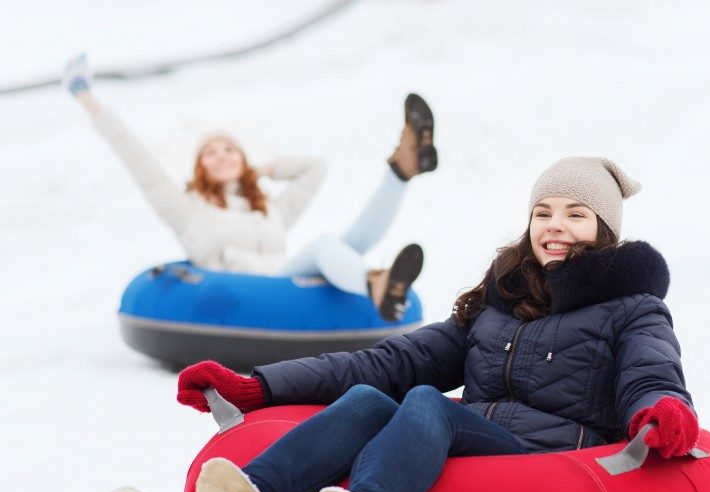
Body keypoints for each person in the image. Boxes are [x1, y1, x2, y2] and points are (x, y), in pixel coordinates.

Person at [109, 156, 700, 492]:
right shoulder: (502, 304)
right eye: (544, 211)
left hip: (552, 459)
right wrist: (259, 386)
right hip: (481, 437)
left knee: (424, 403)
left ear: (604, 229)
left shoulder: (632, 309)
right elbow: (395, 359)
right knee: (372, 398)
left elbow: (652, 373)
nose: (555, 225)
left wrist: (662, 409)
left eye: (575, 214)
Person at [63, 54, 435, 320]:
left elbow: (315, 170)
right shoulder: (186, 209)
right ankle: (375, 284)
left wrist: (263, 169)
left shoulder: (267, 209)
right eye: (210, 153)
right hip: (250, 289)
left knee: (348, 243)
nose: (221, 155)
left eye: (230, 150)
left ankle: (400, 170)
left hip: (287, 277)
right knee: (325, 246)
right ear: (199, 167)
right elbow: (136, 156)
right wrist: (86, 98)